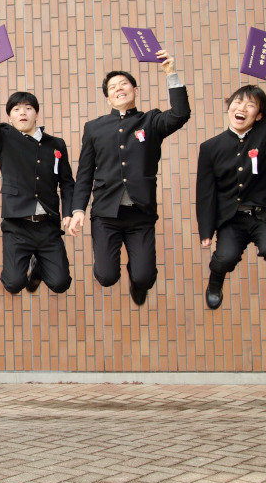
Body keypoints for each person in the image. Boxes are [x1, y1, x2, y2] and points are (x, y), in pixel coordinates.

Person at [69, 50, 190, 305]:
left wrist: (171, 73)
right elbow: (85, 172)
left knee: (144, 277)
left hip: (140, 213)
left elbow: (180, 114)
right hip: (106, 214)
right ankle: (107, 268)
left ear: (135, 90)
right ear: (108, 98)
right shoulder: (94, 128)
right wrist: (78, 209)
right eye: (113, 87)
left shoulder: (151, 121)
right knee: (106, 277)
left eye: (123, 84)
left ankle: (138, 281)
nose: (118, 89)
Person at [196, 70, 266, 310]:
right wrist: (206, 229)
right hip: (231, 219)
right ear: (229, 107)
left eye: (250, 105)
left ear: (258, 115)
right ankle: (215, 283)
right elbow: (205, 192)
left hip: (263, 215)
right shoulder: (210, 148)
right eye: (238, 102)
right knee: (224, 258)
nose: (242, 108)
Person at [0, 59, 74, 294]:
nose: (22, 112)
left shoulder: (55, 144)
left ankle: (38, 268)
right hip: (17, 226)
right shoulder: (4, 137)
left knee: (60, 283)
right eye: (16, 109)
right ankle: (27, 268)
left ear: (36, 113)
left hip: (48, 225)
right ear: (9, 117)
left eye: (28, 108)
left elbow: (67, 183)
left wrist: (69, 212)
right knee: (13, 284)